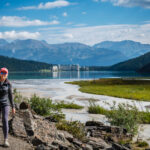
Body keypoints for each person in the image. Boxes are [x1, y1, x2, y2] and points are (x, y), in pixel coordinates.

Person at [0, 67, 15, 147]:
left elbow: (11, 96)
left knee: (5, 120)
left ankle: (6, 140)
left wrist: (13, 107)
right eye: (2, 73)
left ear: (7, 74)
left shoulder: (8, 84)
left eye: (5, 73)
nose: (3, 75)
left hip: (6, 104)